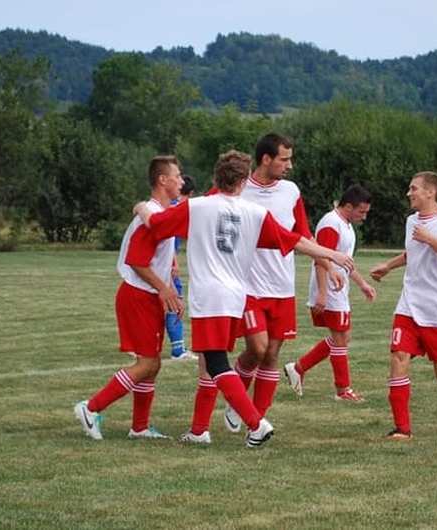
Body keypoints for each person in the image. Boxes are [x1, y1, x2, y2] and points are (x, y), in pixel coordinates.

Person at [134, 150, 355, 447]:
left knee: (214, 363)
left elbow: (157, 224)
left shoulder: (197, 206)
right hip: (236, 296)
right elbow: (293, 240)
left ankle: (255, 423)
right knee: (217, 361)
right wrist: (332, 254)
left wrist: (140, 208)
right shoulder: (255, 213)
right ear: (242, 182)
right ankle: (200, 431)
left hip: (209, 296)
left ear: (216, 177)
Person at [223, 133, 344, 433]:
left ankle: (256, 419)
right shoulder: (239, 188)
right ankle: (237, 400)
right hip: (248, 286)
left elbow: (302, 235)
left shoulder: (290, 191)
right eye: (284, 159)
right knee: (257, 348)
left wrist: (328, 265)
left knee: (272, 354)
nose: (289, 165)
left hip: (281, 287)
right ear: (266, 159)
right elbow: (207, 211)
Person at [73, 156, 185, 441]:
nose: (181, 181)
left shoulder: (158, 211)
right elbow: (137, 260)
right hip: (138, 295)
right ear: (163, 180)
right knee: (147, 363)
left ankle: (140, 427)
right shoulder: (152, 214)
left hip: (146, 295)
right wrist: (164, 288)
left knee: (152, 363)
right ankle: (91, 407)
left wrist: (167, 286)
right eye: (177, 176)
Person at [370, 171, 437, 440]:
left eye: (413, 188)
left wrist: (430, 239)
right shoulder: (411, 221)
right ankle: (402, 429)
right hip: (409, 304)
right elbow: (412, 253)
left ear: (431, 192)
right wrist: (388, 266)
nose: (409, 193)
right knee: (398, 358)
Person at [283, 184, 376, 402]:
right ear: (348, 206)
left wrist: (362, 283)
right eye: (361, 212)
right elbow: (320, 259)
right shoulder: (331, 224)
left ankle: (298, 367)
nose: (364, 217)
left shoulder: (346, 225)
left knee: (343, 336)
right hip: (330, 291)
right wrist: (322, 295)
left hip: (339, 290)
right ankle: (342, 390)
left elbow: (343, 261)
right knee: (340, 338)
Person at [166, 175, 197, 360]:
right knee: (175, 302)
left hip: (162, 262)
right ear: (190, 194)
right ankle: (178, 349)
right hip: (166, 264)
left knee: (161, 305)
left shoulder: (169, 205)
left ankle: (137, 346)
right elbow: (166, 238)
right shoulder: (178, 207)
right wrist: (174, 261)